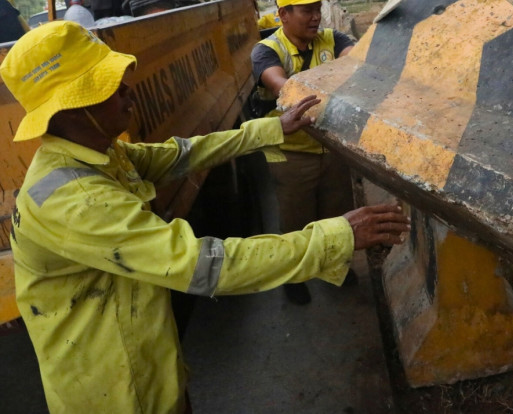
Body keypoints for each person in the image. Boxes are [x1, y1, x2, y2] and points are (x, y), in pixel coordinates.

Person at [0, 20, 410, 413]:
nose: (127, 89)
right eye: (107, 85)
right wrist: (337, 236)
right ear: (71, 110)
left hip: (144, 367)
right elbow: (206, 266)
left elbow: (182, 155)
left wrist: (269, 129)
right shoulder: (77, 200)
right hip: (115, 393)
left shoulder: (99, 156)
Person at [250, 0, 356, 305]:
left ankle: (335, 269)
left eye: (318, 8)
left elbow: (356, 60)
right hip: (291, 154)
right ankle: (294, 277)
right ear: (283, 14)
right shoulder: (267, 51)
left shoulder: (332, 39)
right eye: (306, 10)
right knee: (297, 219)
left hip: (332, 147)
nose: (316, 16)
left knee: (337, 213)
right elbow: (279, 85)